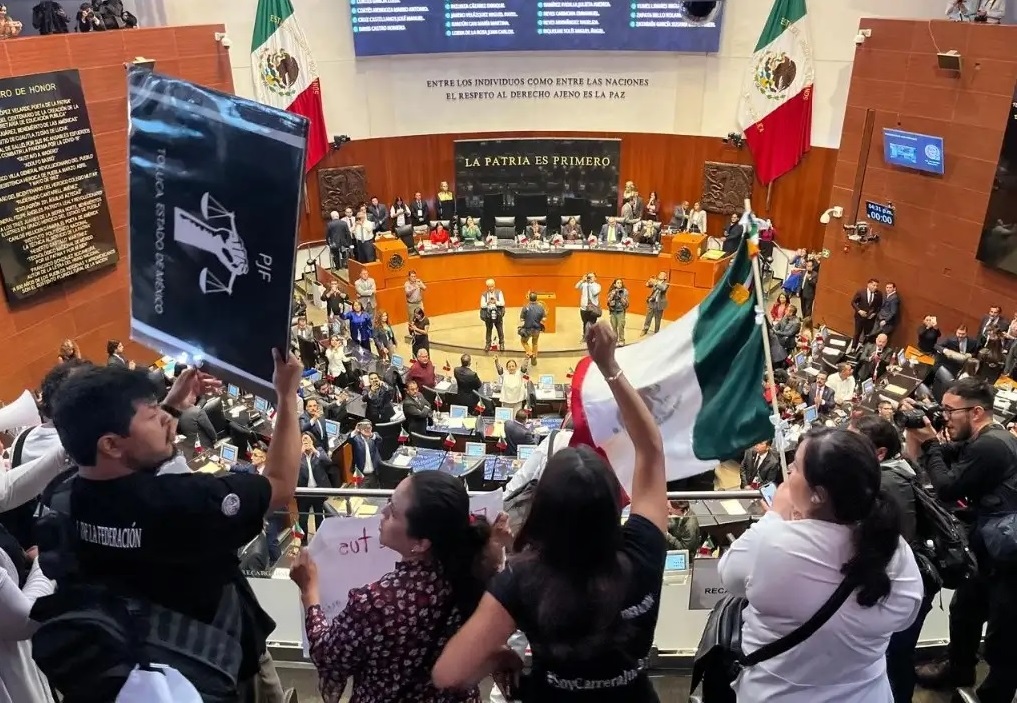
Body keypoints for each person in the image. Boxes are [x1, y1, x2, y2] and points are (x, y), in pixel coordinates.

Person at [37, 351, 303, 701]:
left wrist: (171, 406)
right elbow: (280, 484)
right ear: (111, 444)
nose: (165, 418)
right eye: (152, 416)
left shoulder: (61, 496)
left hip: (138, 673)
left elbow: (130, 463)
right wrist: (286, 395)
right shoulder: (184, 503)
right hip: (220, 668)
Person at [433, 322, 668, 702]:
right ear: (613, 503)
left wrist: (501, 656)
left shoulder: (521, 578)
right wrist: (609, 366)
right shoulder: (644, 550)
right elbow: (651, 449)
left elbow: (448, 673)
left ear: (543, 508)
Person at [718, 428, 922, 702]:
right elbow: (905, 617)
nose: (788, 473)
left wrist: (775, 516)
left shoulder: (772, 542)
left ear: (819, 494)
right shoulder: (895, 548)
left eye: (795, 467)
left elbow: (729, 575)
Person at [292, 469, 504, 702]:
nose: (382, 513)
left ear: (421, 543)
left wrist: (309, 593)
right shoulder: (481, 576)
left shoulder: (375, 602)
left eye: (393, 512)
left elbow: (327, 655)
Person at [907, 379, 1017, 703]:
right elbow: (950, 454)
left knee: (1003, 635)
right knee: (965, 610)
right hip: (990, 548)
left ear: (976, 412)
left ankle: (993, 696)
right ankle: (959, 671)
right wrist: (926, 431)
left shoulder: (991, 445)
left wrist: (930, 444)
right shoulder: (989, 439)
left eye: (949, 411)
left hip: (1008, 557)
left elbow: (947, 487)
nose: (945, 417)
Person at [849, 415, 931, 703]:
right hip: (894, 582)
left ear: (880, 452)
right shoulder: (891, 473)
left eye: (854, 443)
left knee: (895, 658)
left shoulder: (886, 483)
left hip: (901, 586)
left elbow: (893, 542)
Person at [297, 433, 332, 538]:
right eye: (303, 440)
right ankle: (303, 540)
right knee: (303, 519)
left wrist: (314, 450)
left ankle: (320, 537)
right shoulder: (297, 454)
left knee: (319, 515)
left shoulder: (319, 451)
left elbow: (328, 462)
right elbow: (290, 468)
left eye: (308, 440)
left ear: (312, 441)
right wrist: (300, 453)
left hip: (317, 491)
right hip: (303, 493)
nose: (306, 442)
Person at [850, 279, 883, 349]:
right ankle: (853, 347)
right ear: (869, 284)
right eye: (874, 285)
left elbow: (879, 306)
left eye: (877, 286)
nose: (875, 287)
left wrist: (874, 313)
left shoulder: (879, 294)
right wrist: (859, 311)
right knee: (857, 333)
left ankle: (864, 348)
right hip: (860, 317)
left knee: (867, 334)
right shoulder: (861, 292)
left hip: (870, 319)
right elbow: (853, 302)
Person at [518, 292, 546, 364]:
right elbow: (544, 319)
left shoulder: (525, 307)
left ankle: (530, 353)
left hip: (527, 329)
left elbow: (521, 319)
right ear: (536, 298)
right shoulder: (541, 307)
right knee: (535, 343)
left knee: (523, 341)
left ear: (529, 298)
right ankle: (534, 359)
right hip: (537, 329)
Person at [480, 279, 506, 352]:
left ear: (494, 286)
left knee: (500, 329)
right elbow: (482, 305)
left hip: (498, 313)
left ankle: (502, 344)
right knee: (488, 330)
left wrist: (495, 302)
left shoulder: (499, 292)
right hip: (488, 314)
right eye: (488, 287)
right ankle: (488, 344)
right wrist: (488, 303)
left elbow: (502, 303)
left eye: (491, 286)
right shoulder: (484, 294)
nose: (490, 288)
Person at [576, 273, 602, 340]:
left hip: (593, 308)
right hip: (584, 307)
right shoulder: (584, 284)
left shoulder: (597, 286)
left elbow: (594, 293)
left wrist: (590, 284)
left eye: (591, 276)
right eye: (589, 276)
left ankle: (592, 337)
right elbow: (576, 287)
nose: (590, 278)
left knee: (592, 323)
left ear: (595, 278)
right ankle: (585, 337)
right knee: (585, 323)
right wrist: (582, 280)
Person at [642, 272, 668, 336]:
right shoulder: (655, 281)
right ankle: (645, 329)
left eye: (662, 275)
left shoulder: (666, 284)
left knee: (657, 319)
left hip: (659, 303)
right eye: (660, 274)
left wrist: (655, 282)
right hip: (652, 302)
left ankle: (656, 332)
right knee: (648, 317)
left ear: (665, 277)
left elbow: (663, 288)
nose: (660, 275)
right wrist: (649, 281)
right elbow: (648, 285)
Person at [606, 278, 629, 346]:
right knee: (614, 327)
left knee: (621, 326)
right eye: (618, 283)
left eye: (620, 283)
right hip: (613, 311)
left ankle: (621, 340)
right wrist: (613, 294)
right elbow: (608, 301)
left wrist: (620, 297)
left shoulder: (624, 291)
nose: (619, 284)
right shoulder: (612, 291)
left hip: (620, 311)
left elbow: (626, 303)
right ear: (615, 284)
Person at [404, 271, 427, 336]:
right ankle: (411, 334)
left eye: (414, 276)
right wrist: (414, 288)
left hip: (419, 303)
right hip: (411, 304)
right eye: (412, 276)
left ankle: (421, 331)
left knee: (421, 317)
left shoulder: (418, 281)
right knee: (411, 320)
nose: (414, 278)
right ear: (409, 277)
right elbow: (407, 294)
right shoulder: (407, 284)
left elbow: (425, 288)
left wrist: (420, 284)